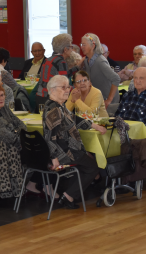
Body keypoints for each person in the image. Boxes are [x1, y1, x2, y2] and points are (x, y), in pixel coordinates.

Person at [42, 75, 105, 209]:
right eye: (63, 87)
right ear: (52, 90)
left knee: (87, 160)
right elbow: (49, 136)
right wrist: (53, 158)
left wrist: (94, 126)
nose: (67, 90)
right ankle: (69, 196)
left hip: (65, 149)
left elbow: (73, 118)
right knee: (92, 167)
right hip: (63, 152)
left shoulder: (58, 106)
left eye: (68, 87)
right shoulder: (54, 110)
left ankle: (71, 192)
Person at [116, 67, 146, 135]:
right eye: (135, 78)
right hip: (121, 136)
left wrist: (134, 134)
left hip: (141, 140)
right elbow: (117, 117)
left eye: (141, 78)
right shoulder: (127, 96)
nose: (137, 81)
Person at [37, 34, 81, 106]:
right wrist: (77, 89)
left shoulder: (48, 60)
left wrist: (77, 67)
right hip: (51, 98)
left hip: (40, 96)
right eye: (71, 47)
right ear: (65, 50)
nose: (72, 49)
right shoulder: (61, 62)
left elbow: (63, 75)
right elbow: (64, 84)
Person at [81, 33, 120, 107]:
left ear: (92, 46)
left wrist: (109, 100)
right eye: (81, 45)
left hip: (108, 103)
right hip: (98, 100)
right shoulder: (86, 61)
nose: (82, 47)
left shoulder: (100, 61)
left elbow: (116, 78)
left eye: (84, 45)